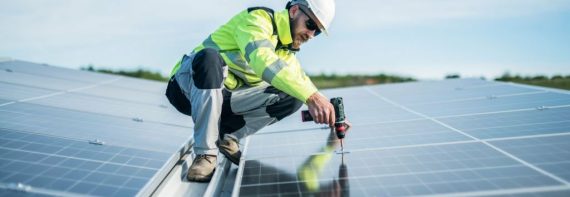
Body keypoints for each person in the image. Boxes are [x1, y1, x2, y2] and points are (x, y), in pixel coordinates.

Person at [165, 0, 347, 182]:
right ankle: (205, 155)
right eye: (310, 25)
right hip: (186, 88)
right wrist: (312, 98)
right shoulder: (257, 20)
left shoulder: (287, 53)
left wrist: (331, 112)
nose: (311, 34)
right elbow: (262, 60)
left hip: (222, 99)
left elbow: (303, 83)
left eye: (318, 32)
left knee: (294, 94)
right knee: (209, 57)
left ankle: (228, 135)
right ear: (293, 11)